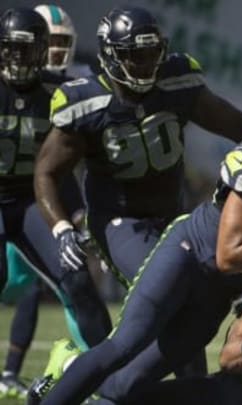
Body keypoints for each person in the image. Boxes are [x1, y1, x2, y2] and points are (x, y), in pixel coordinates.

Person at [28, 93, 242, 405]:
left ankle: (70, 371)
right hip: (189, 257)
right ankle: (69, 366)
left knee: (126, 385)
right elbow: (230, 256)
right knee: (122, 346)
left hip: (219, 292)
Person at [0, 7, 111, 398]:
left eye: (25, 51)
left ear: (42, 52)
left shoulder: (59, 93)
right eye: (10, 50)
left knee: (78, 278)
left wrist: (82, 211)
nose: (16, 60)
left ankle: (112, 377)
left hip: (34, 201)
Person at [32, 4, 91, 79]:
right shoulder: (19, 75)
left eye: (60, 43)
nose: (56, 49)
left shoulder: (82, 76)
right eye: (50, 42)